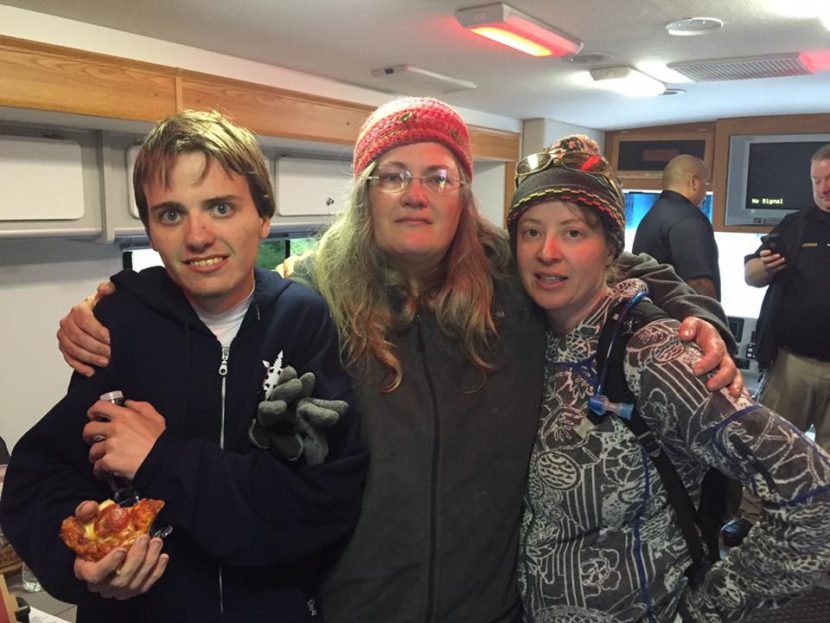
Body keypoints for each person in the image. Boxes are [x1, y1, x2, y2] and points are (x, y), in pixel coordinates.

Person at [54, 98, 742, 622]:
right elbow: (216, 287)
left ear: (463, 193)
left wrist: (696, 319)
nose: (416, 194)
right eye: (394, 176)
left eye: (439, 176)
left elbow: (624, 269)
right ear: (365, 193)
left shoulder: (519, 280)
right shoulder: (307, 292)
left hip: (494, 608)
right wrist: (116, 300)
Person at [0, 111, 367, 623]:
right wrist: (80, 559)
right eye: (170, 214)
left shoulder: (303, 320)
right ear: (149, 229)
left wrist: (160, 459)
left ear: (262, 216)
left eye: (221, 207)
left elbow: (320, 503)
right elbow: (40, 477)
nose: (197, 235)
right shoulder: (116, 321)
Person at [509, 135, 830, 622]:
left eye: (573, 233)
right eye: (531, 232)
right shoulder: (533, 334)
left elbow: (814, 490)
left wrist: (712, 609)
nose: (547, 251)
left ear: (609, 246)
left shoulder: (653, 353)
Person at [721, 143, 830, 548]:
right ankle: (751, 517)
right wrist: (761, 268)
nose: (823, 188)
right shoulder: (795, 225)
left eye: (829, 179)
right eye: (816, 180)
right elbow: (751, 271)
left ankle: (819, 532)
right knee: (770, 444)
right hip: (793, 362)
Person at [632, 154, 720, 300]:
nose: (705, 192)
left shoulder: (650, 216)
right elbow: (699, 284)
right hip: (680, 319)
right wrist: (712, 319)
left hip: (651, 315)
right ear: (694, 182)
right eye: (705, 185)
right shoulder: (690, 220)